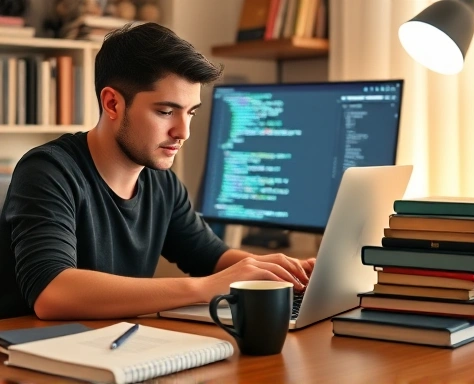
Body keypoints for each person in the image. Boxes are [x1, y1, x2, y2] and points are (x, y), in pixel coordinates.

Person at [0, 23, 315, 320]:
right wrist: (203, 288)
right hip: (32, 358)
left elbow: (208, 255)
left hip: (113, 350)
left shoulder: (161, 182)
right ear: (112, 103)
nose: (183, 132)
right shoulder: (47, 171)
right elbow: (52, 293)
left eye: (190, 113)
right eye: (166, 112)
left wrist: (278, 270)